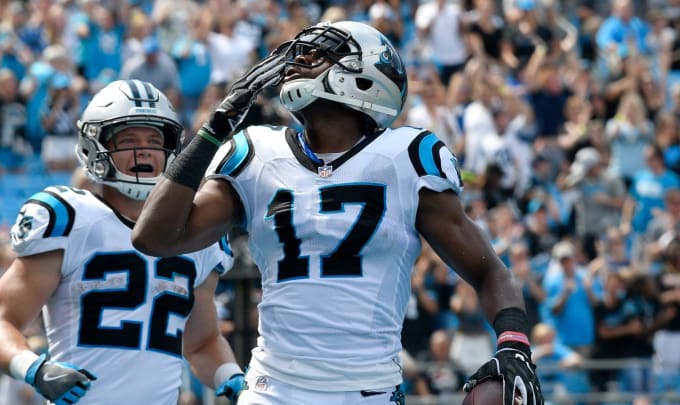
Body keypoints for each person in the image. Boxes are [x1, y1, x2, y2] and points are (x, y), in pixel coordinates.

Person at [132, 21, 543, 405]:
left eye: (314, 56)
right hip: (271, 389)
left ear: (365, 73)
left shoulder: (406, 158)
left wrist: (515, 345)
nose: (294, 65)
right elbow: (155, 237)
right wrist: (215, 128)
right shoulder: (256, 153)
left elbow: (489, 270)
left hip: (368, 391)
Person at [0, 80, 244, 405]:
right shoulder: (72, 219)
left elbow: (202, 343)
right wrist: (35, 369)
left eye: (154, 140)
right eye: (128, 139)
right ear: (95, 147)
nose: (144, 150)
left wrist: (230, 376)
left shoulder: (195, 237)